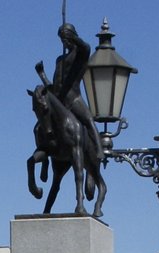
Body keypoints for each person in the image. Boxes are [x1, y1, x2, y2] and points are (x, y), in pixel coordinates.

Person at [34, 22, 104, 161]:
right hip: (59, 100)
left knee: (88, 120)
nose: (64, 42)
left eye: (66, 38)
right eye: (62, 39)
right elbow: (54, 87)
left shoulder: (80, 55)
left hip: (73, 99)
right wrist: (42, 75)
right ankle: (46, 155)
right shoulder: (59, 60)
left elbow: (87, 47)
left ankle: (99, 149)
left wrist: (73, 37)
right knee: (39, 127)